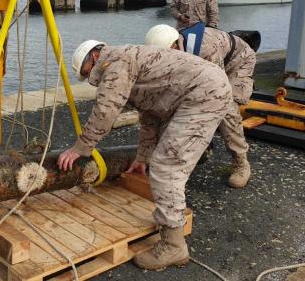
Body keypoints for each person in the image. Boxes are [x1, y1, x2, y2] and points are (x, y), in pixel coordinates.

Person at [57, 40, 233, 270]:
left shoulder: (114, 63)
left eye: (87, 74)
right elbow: (151, 116)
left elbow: (106, 111)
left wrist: (81, 147)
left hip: (203, 95)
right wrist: (142, 157)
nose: (92, 81)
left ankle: (173, 246)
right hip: (203, 91)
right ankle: (171, 220)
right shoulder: (129, 60)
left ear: (93, 58)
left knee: (167, 165)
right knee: (163, 160)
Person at [145, 24, 259, 188]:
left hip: (238, 62)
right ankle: (199, 149)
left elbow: (215, 90)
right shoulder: (168, 53)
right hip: (209, 65)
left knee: (226, 110)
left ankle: (241, 163)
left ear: (175, 45)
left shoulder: (205, 49)